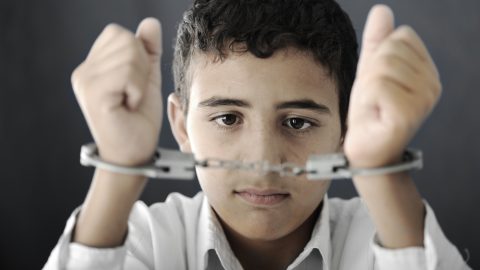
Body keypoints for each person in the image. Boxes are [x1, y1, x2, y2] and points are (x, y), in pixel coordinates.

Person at [44, 0, 471, 269]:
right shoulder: (141, 241)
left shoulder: (386, 237)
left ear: (345, 128)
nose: (263, 158)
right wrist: (119, 168)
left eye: (298, 122)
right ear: (180, 125)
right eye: (228, 118)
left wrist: (381, 169)